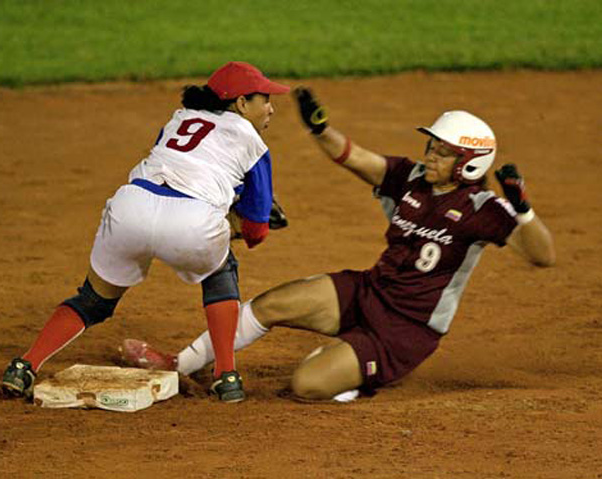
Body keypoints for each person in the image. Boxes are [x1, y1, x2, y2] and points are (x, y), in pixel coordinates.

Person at [120, 88, 556, 401]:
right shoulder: (411, 177)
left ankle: (353, 369)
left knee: (306, 385)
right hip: (369, 291)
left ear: (469, 164)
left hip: (404, 332)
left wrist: (524, 209)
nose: (429, 156)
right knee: (273, 304)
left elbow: (543, 255)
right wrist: (320, 129)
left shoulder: (485, 208)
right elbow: (354, 157)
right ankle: (180, 365)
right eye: (430, 145)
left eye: (442, 152)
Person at [0, 61, 291, 403]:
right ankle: (226, 377)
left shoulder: (179, 119)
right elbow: (257, 233)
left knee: (93, 300)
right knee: (221, 270)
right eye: (265, 99)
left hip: (131, 208)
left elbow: (170, 164)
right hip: (192, 223)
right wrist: (236, 224)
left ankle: (23, 366)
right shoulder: (253, 143)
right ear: (242, 103)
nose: (271, 107)